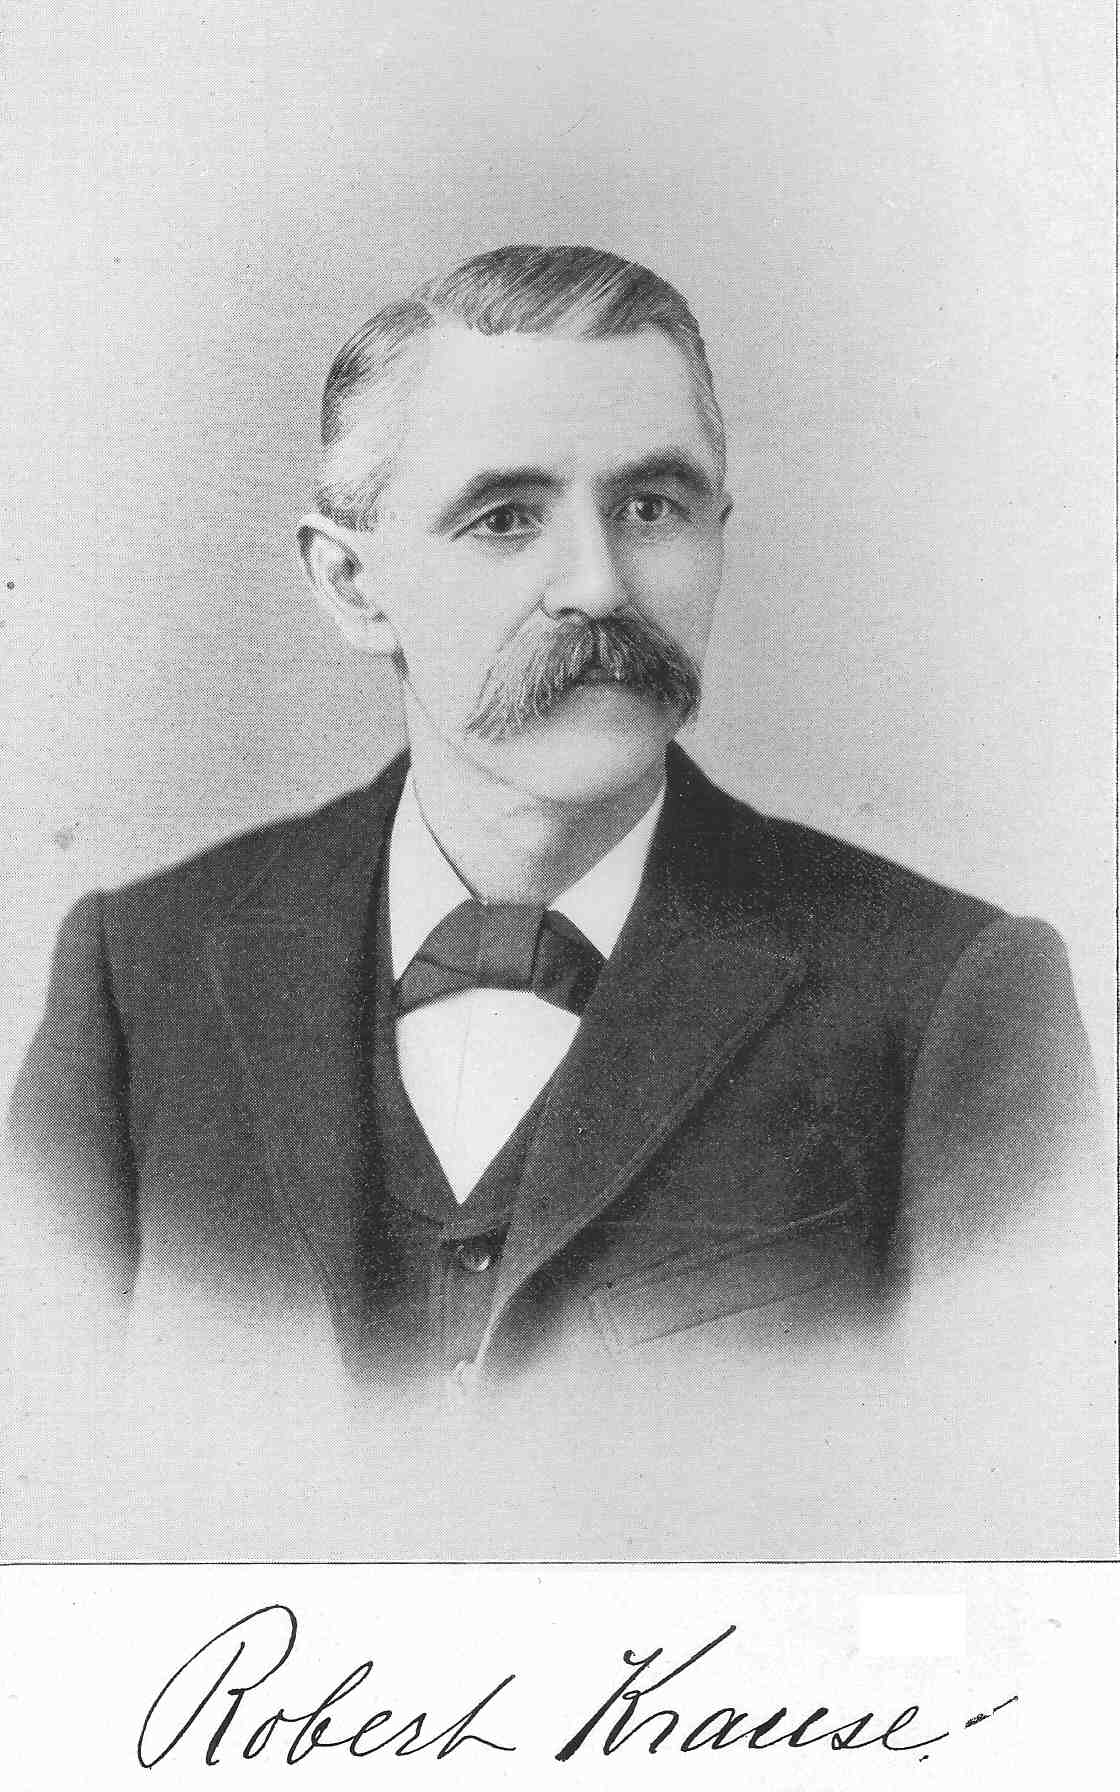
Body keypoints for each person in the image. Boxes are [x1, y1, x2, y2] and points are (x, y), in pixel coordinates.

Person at [5, 248, 1106, 1550]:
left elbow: (1009, 1556)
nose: (597, 582)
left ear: (718, 537)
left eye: (652, 506)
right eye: (505, 517)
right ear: (352, 587)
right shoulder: (139, 976)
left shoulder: (951, 998)